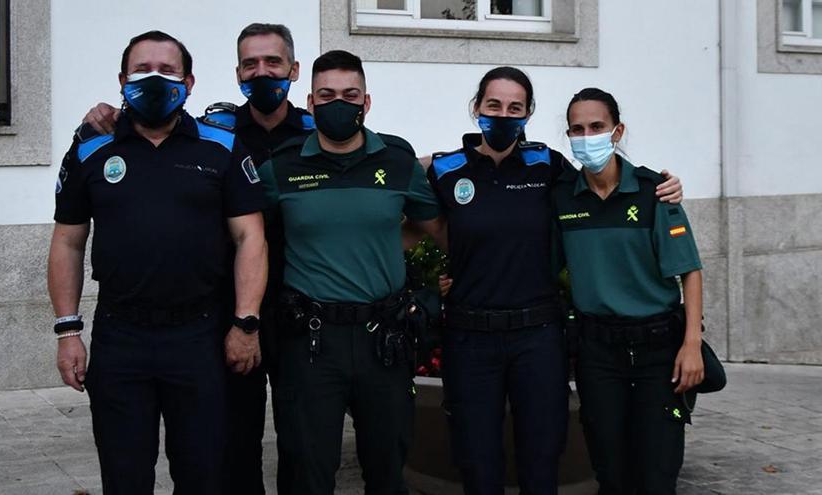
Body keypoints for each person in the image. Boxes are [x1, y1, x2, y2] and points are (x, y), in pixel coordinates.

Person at [425, 68, 684, 495]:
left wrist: (663, 185)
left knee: (542, 461)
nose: (504, 115)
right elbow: (401, 205)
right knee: (476, 462)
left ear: (528, 114)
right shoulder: (446, 169)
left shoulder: (547, 163)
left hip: (538, 337)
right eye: (494, 106)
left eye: (515, 108)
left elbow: (603, 187)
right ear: (476, 109)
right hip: (470, 339)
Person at [79, 23, 312, 495]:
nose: (262, 72)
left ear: (294, 69)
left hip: (299, 310)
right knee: (231, 446)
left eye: (272, 63)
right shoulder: (220, 132)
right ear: (237, 73)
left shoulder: (318, 133)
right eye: (250, 64)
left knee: (304, 440)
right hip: (228, 311)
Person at [258, 49, 444, 495]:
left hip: (385, 338)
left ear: (366, 102)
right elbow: (250, 239)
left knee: (386, 465)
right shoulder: (280, 168)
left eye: (350, 94)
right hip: (312, 341)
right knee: (309, 467)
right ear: (310, 103)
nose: (339, 103)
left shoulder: (398, 162)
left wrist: (380, 245)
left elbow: (432, 229)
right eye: (327, 95)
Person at [551, 87, 704, 494]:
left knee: (658, 472)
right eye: (577, 129)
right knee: (610, 471)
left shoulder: (656, 192)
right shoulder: (562, 197)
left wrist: (692, 345)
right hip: (597, 352)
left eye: (597, 126)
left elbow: (689, 270)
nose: (587, 137)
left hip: (659, 352)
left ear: (617, 131)